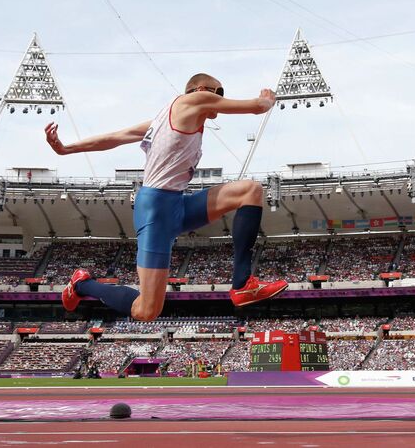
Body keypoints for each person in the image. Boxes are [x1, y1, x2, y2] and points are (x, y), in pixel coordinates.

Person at [43, 73, 288, 321]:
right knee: (146, 311)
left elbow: (116, 137)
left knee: (250, 190)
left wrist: (67, 148)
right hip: (156, 209)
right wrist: (267, 99)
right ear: (202, 89)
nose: (220, 99)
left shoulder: (163, 120)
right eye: (219, 92)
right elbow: (257, 107)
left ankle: (243, 284)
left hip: (178, 204)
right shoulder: (192, 100)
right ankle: (82, 283)